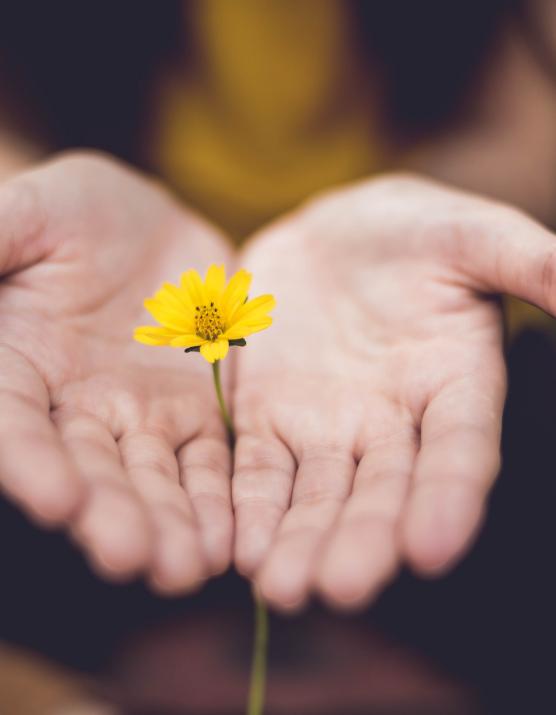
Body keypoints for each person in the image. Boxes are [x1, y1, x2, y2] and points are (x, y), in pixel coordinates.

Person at [0, 0, 555, 617]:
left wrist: (451, 207)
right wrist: (19, 189)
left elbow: (529, 117)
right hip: (92, 301)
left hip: (401, 307)